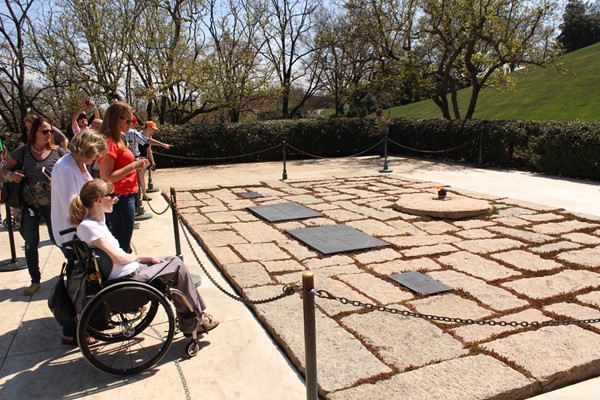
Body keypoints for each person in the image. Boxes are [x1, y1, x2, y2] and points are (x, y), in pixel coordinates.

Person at [70, 178, 219, 335]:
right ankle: (194, 320)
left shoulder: (95, 221)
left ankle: (193, 316)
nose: (116, 198)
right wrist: (144, 258)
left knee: (172, 260)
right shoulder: (89, 227)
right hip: (127, 277)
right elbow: (119, 258)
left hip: (128, 271)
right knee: (177, 266)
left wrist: (143, 258)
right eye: (111, 195)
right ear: (99, 200)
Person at [50, 129, 108, 345]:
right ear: (86, 150)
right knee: (78, 283)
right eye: (95, 154)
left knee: (90, 279)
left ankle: (95, 320)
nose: (96, 159)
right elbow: (71, 207)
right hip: (72, 233)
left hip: (82, 230)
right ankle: (72, 330)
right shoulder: (64, 168)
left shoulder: (78, 164)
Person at [1, 117, 67, 295]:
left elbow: (70, 173)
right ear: (34, 133)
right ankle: (35, 279)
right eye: (45, 131)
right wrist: (10, 175)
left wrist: (59, 182)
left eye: (51, 131)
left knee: (60, 239)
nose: (49, 134)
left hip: (53, 205)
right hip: (29, 205)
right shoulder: (22, 151)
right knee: (31, 243)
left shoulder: (58, 152)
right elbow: (4, 168)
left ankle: (75, 271)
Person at [97, 101, 149, 253]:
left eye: (131, 120)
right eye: (128, 120)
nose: (131, 124)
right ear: (115, 119)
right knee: (121, 244)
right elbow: (107, 176)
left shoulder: (118, 138)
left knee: (124, 241)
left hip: (128, 194)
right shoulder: (109, 141)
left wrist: (134, 162)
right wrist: (133, 166)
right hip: (120, 197)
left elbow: (120, 165)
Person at [123, 121, 171, 200]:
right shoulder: (135, 133)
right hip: (136, 158)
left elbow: (149, 149)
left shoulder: (129, 133)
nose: (154, 131)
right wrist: (162, 144)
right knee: (134, 178)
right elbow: (146, 141)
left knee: (140, 177)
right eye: (153, 129)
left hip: (139, 158)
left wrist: (152, 161)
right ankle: (136, 198)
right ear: (148, 127)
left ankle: (142, 195)